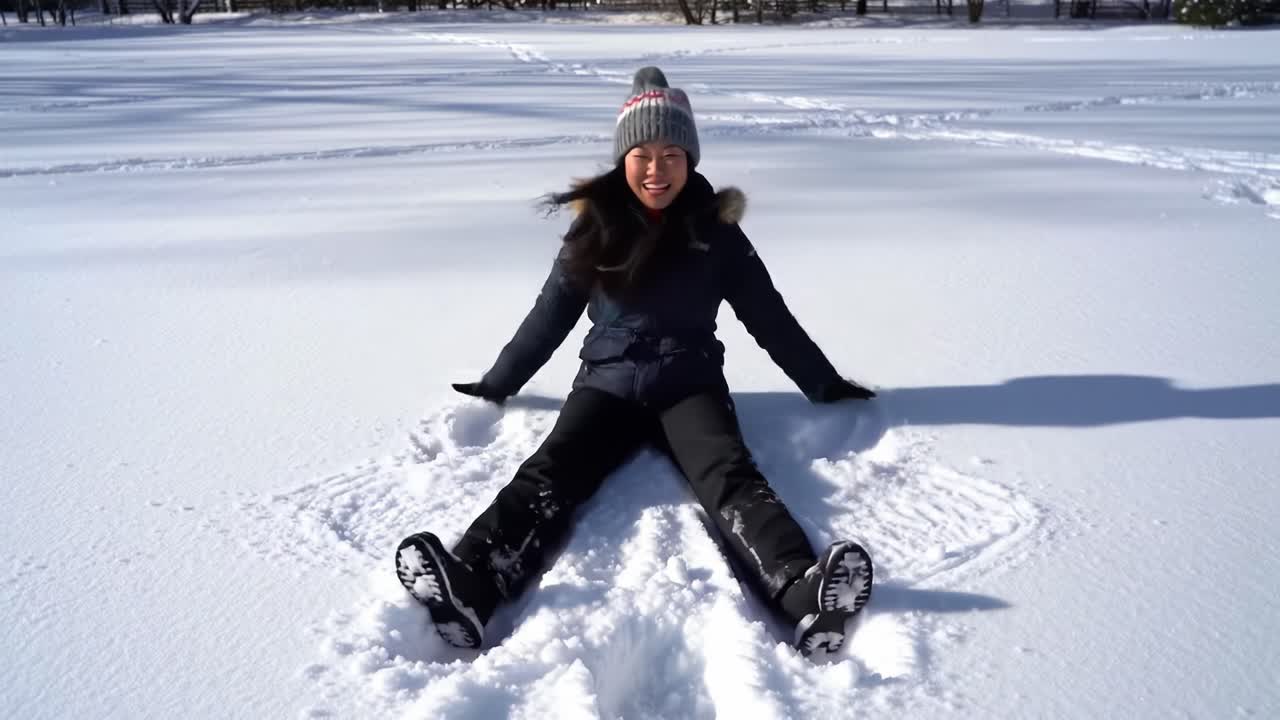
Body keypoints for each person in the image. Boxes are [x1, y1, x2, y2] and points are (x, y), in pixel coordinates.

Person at [396, 67, 876, 657]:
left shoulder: (716, 231)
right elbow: (550, 314)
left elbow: (767, 314)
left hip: (690, 385)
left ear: (691, 159)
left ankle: (802, 596)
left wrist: (822, 383)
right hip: (608, 386)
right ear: (623, 158)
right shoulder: (594, 230)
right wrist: (500, 381)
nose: (657, 169)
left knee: (730, 480)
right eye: (643, 154)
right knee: (551, 474)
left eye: (673, 153)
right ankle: (472, 586)